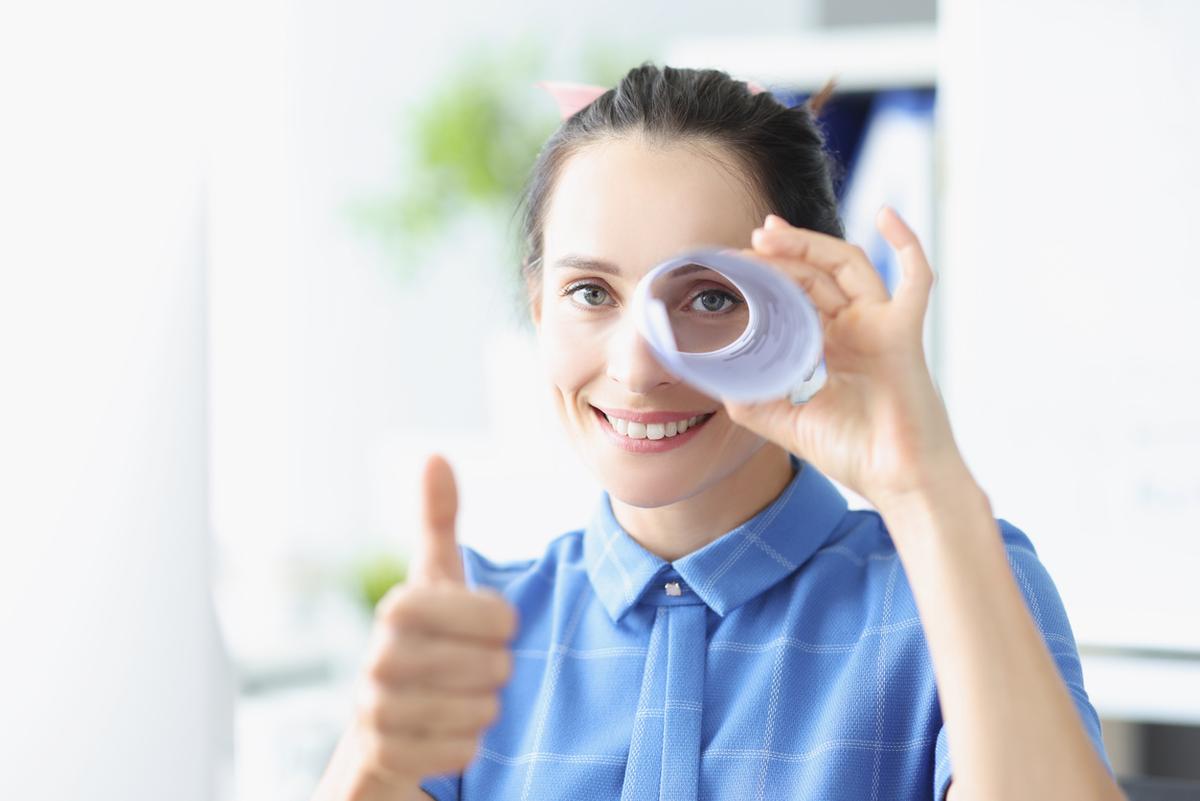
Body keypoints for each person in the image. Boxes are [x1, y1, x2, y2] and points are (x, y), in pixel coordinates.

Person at [313, 63, 1123, 801]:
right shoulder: (473, 626)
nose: (637, 367)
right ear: (537, 310)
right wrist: (375, 767)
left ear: (802, 306)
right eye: (591, 293)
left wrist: (922, 482)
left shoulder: (955, 583)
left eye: (708, 298)